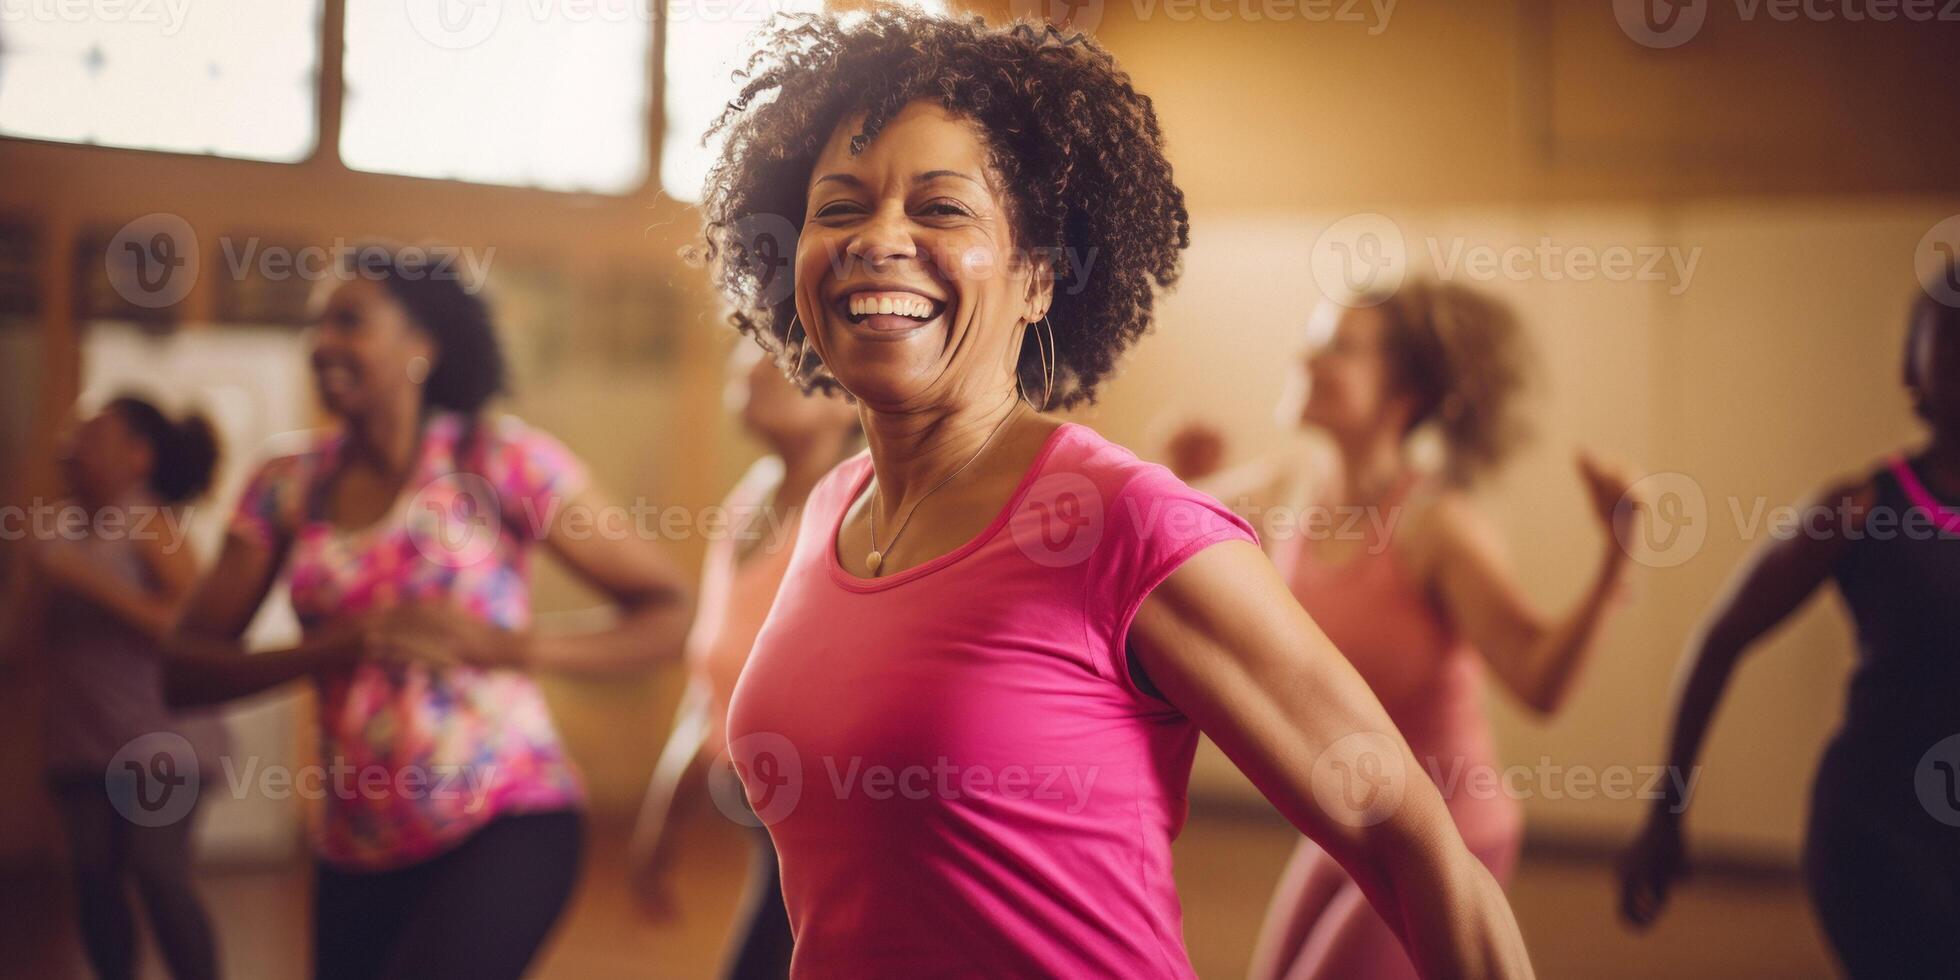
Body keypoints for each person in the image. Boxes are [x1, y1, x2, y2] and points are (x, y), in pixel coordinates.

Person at [698, 9, 1534, 978]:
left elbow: (1415, 842)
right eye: (838, 206)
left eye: (941, 207)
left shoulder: (1127, 523)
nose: (878, 237)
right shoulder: (827, 513)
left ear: (1041, 277)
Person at [163, 245, 694, 980]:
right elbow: (182, 670)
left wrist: (510, 648)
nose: (322, 344)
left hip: (508, 816)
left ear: (423, 346)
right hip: (354, 844)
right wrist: (340, 646)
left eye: (348, 322)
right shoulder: (287, 486)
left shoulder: (499, 461)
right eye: (316, 326)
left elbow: (668, 612)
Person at [1166, 281, 1638, 979]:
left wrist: (1613, 562)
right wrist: (1175, 469)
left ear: (1402, 395)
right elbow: (1156, 526)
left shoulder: (1435, 528)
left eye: (1339, 347)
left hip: (1449, 831)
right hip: (1349, 820)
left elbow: (1539, 682)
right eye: (1316, 336)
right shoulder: (1289, 484)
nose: (1308, 355)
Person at [1620, 270, 1960, 977]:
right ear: (1911, 364)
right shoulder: (1861, 508)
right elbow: (1719, 640)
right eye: (1951, 331)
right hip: (1878, 840)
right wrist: (1667, 813)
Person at [627, 343, 860, 978]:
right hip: (766, 820)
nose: (754, 363)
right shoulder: (747, 503)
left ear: (848, 400)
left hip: (843, 827)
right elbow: (712, 682)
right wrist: (662, 826)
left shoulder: (864, 508)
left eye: (787, 359)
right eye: (752, 349)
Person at [0, 396, 225, 980]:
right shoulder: (52, 530)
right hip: (80, 739)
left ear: (137, 456)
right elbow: (21, 643)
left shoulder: (154, 526)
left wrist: (85, 579)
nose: (71, 445)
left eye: (92, 434)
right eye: (72, 432)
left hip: (164, 744)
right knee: (93, 880)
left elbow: (189, 627)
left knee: (157, 873)